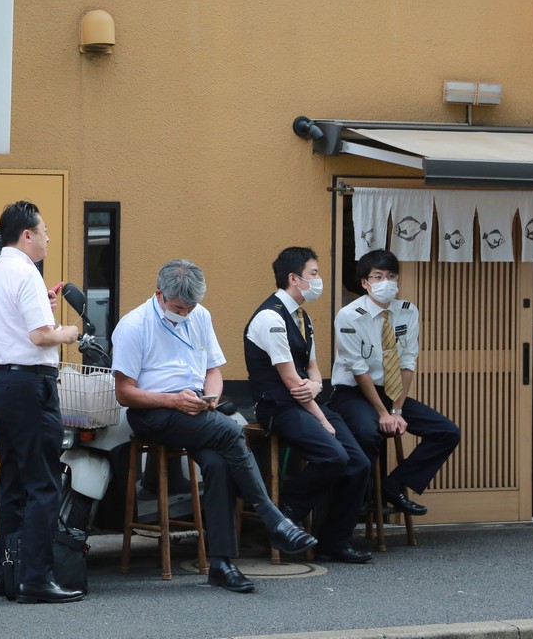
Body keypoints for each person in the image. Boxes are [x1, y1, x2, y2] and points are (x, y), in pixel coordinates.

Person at [112, 259, 316, 595]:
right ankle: (273, 518)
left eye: (192, 306)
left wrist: (211, 398)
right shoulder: (134, 325)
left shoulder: (200, 316)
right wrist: (173, 400)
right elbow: (125, 393)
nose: (187, 312)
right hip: (154, 412)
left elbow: (214, 370)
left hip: (197, 409)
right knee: (230, 431)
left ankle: (221, 563)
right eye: (180, 307)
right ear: (159, 294)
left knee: (220, 462)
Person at [0, 201, 84, 604]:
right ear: (27, 235)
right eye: (44, 232)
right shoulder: (27, 273)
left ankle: (8, 572)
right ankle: (36, 577)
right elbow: (40, 338)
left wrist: (44, 312)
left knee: (13, 480)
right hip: (29, 385)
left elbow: (14, 325)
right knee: (43, 483)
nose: (47, 239)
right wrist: (67, 330)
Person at [244, 247, 372, 564]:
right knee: (333, 455)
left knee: (359, 463)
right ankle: (286, 513)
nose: (319, 280)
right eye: (314, 274)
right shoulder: (270, 318)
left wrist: (315, 386)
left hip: (306, 402)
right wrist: (324, 420)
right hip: (278, 406)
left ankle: (334, 541)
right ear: (294, 278)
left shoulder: (302, 317)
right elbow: (291, 383)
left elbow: (313, 371)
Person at [331, 249, 461, 516]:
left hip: (391, 392)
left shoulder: (407, 311)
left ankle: (394, 485)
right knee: (369, 432)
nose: (386, 282)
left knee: (447, 431)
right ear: (365, 283)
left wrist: (397, 410)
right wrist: (383, 413)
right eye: (378, 277)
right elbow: (358, 370)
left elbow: (407, 363)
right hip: (353, 392)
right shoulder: (349, 315)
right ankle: (361, 500)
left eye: (391, 276)